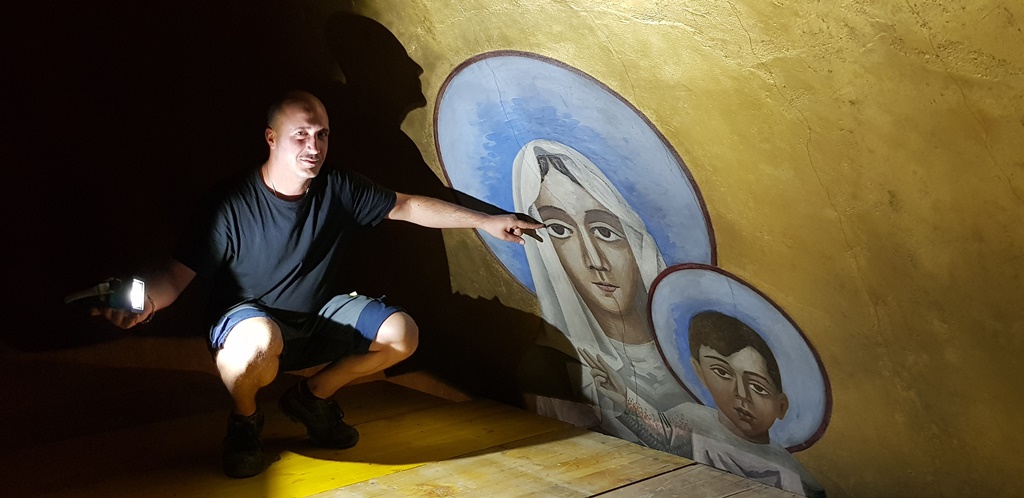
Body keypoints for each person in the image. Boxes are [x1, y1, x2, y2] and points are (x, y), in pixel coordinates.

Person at [87, 90, 542, 478]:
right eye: (300, 135)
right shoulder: (230, 203)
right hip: (249, 323)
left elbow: (406, 206)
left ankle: (311, 399)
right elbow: (174, 277)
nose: (313, 146)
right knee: (260, 340)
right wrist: (144, 303)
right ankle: (245, 421)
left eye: (321, 134)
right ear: (271, 139)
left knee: (402, 335)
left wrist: (486, 221)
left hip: (315, 315)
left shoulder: (337, 185)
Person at [511, 139, 691, 441]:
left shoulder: (696, 350)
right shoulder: (550, 368)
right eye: (559, 230)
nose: (593, 261)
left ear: (636, 239)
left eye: (605, 232)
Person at [583, 310, 825, 497]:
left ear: (781, 405)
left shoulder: (798, 477)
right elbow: (659, 431)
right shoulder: (692, 421)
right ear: (700, 373)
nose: (741, 394)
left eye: (758, 387)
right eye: (722, 373)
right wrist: (624, 396)